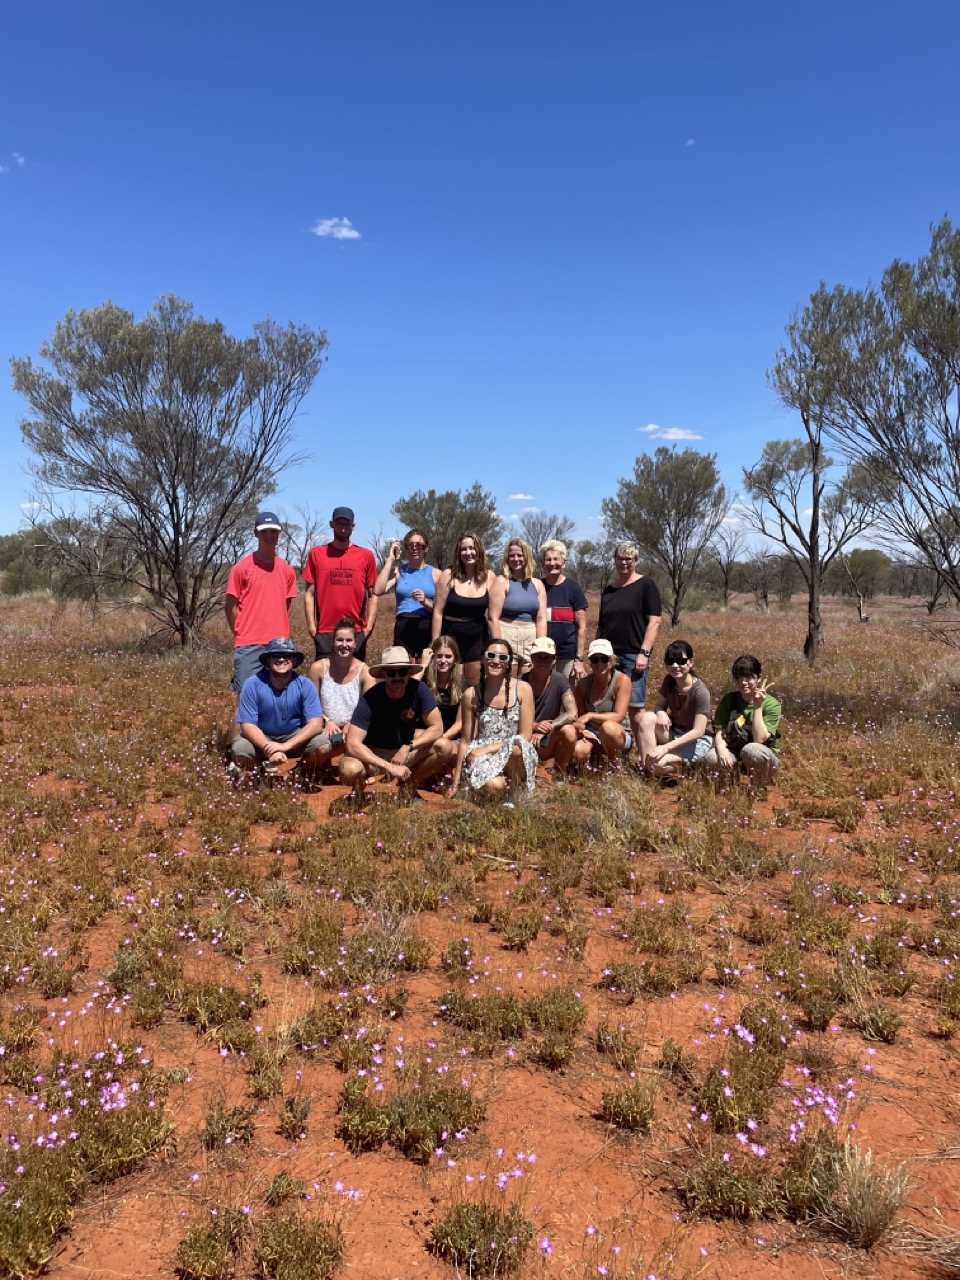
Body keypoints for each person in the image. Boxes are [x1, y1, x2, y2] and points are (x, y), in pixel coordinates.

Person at [341, 646, 452, 802]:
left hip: (403, 750)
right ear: (383, 674)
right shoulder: (371, 698)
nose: (397, 677)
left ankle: (409, 788)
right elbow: (352, 744)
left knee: (444, 747)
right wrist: (390, 768)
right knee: (349, 771)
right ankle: (358, 790)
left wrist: (408, 747)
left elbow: (437, 727)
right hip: (374, 754)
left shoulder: (419, 689)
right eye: (392, 672)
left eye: (402, 672)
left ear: (409, 673)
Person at [231, 637, 331, 781]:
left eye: (287, 655)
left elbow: (315, 724)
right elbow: (247, 725)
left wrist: (285, 746)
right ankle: (259, 772)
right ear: (268, 660)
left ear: (294, 660)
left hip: (293, 736)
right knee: (240, 751)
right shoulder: (252, 684)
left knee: (323, 746)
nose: (281, 659)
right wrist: (268, 747)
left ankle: (300, 771)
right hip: (261, 736)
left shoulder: (305, 685)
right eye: (276, 655)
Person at [453, 639, 537, 800]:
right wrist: (456, 782)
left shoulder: (523, 689)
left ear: (508, 663)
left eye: (503, 658)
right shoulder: (471, 694)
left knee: (517, 750)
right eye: (491, 655)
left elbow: (525, 736)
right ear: (483, 659)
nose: (496, 661)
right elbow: (465, 740)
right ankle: (498, 791)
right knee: (494, 786)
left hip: (511, 750)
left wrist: (489, 748)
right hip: (481, 753)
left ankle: (514, 790)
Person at [225, 510, 298, 693]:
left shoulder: (287, 570)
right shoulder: (241, 568)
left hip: (279, 643)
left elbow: (285, 606)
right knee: (246, 697)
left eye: (273, 531)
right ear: (256, 533)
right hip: (249, 643)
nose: (269, 536)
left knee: (278, 696)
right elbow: (230, 607)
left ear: (279, 534)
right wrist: (242, 631)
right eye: (264, 531)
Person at [597, 541, 662, 743]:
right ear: (614, 560)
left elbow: (654, 621)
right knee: (610, 703)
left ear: (636, 561)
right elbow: (602, 625)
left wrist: (644, 653)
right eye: (620, 558)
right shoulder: (609, 590)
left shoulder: (646, 586)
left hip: (633, 655)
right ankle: (615, 745)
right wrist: (596, 650)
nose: (624, 563)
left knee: (635, 706)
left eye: (628, 559)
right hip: (608, 656)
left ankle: (644, 749)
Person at [302, 506, 378, 661]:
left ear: (353, 526)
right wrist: (311, 626)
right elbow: (309, 594)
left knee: (355, 679)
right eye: (339, 524)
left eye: (347, 524)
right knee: (324, 680)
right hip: (325, 631)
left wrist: (369, 627)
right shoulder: (317, 554)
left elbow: (373, 595)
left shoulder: (366, 556)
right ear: (331, 524)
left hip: (355, 631)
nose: (343, 528)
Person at [637, 640, 713, 777]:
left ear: (691, 662)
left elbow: (698, 731)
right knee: (648, 718)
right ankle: (647, 768)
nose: (675, 665)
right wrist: (660, 713)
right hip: (676, 732)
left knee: (658, 764)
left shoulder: (700, 691)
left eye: (681, 661)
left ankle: (687, 768)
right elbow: (659, 705)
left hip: (697, 740)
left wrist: (665, 748)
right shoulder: (669, 680)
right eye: (670, 661)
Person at [704, 654, 781, 785]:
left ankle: (759, 785)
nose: (743, 682)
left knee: (752, 750)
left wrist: (757, 705)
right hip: (734, 751)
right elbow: (719, 731)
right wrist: (721, 748)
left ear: (758, 678)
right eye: (738, 678)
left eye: (749, 677)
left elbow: (760, 739)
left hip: (761, 755)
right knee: (712, 757)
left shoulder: (772, 704)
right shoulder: (729, 700)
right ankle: (731, 784)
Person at [432, 531, 497, 688]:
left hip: (477, 637)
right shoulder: (448, 575)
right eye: (464, 549)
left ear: (479, 551)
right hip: (451, 636)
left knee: (476, 684)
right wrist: (435, 644)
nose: (468, 553)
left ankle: (476, 712)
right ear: (458, 553)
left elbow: (493, 616)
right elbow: (437, 612)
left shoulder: (490, 577)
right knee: (454, 685)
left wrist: (496, 645)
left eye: (472, 548)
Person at [307, 618, 374, 764]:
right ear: (333, 642)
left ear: (356, 643)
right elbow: (311, 704)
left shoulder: (365, 672)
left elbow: (369, 707)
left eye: (349, 640)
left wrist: (352, 724)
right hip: (325, 725)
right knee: (321, 746)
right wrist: (327, 722)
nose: (344, 645)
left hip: (355, 725)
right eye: (340, 640)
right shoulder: (318, 668)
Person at [373, 529, 440, 661]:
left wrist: (425, 602)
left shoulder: (436, 574)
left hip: (426, 626)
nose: (415, 549)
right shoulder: (399, 571)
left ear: (426, 548)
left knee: (427, 672)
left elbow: (441, 611)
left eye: (419, 545)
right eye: (411, 545)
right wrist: (391, 559)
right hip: (403, 627)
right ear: (406, 549)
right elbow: (378, 590)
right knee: (403, 670)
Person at [571, 638, 632, 767]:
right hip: (592, 731)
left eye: (604, 659)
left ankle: (614, 764)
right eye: (595, 659)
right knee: (578, 751)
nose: (600, 663)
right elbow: (581, 717)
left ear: (611, 661)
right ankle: (597, 756)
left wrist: (591, 715)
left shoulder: (622, 680)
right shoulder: (582, 685)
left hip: (618, 733)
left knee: (608, 727)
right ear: (590, 662)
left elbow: (618, 716)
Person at [488, 537, 547, 671]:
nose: (516, 559)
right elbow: (493, 618)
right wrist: (499, 646)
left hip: (530, 636)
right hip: (507, 633)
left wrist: (541, 646)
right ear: (506, 559)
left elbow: (541, 618)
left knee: (528, 684)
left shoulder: (537, 584)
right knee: (508, 683)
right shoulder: (502, 581)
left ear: (527, 557)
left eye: (520, 555)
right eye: (512, 556)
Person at [522, 637, 577, 773]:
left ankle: (559, 772)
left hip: (547, 738)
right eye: (538, 657)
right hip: (523, 737)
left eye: (546, 658)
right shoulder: (520, 682)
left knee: (569, 731)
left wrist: (547, 728)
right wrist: (534, 726)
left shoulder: (560, 680)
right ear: (531, 658)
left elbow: (572, 713)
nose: (542, 661)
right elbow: (510, 718)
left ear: (554, 660)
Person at [540, 539, 588, 682]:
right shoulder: (538, 586)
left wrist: (579, 659)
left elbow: (582, 627)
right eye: (548, 559)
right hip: (542, 654)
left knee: (566, 694)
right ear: (543, 563)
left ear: (564, 562)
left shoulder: (573, 589)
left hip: (567, 655)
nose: (552, 563)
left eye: (556, 559)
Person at [422, 635, 466, 745]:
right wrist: (423, 665)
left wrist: (441, 739)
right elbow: (408, 691)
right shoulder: (423, 683)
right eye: (439, 656)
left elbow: (460, 723)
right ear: (432, 658)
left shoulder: (463, 685)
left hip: (451, 739)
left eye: (448, 656)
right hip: (425, 735)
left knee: (444, 747)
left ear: (455, 658)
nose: (443, 660)